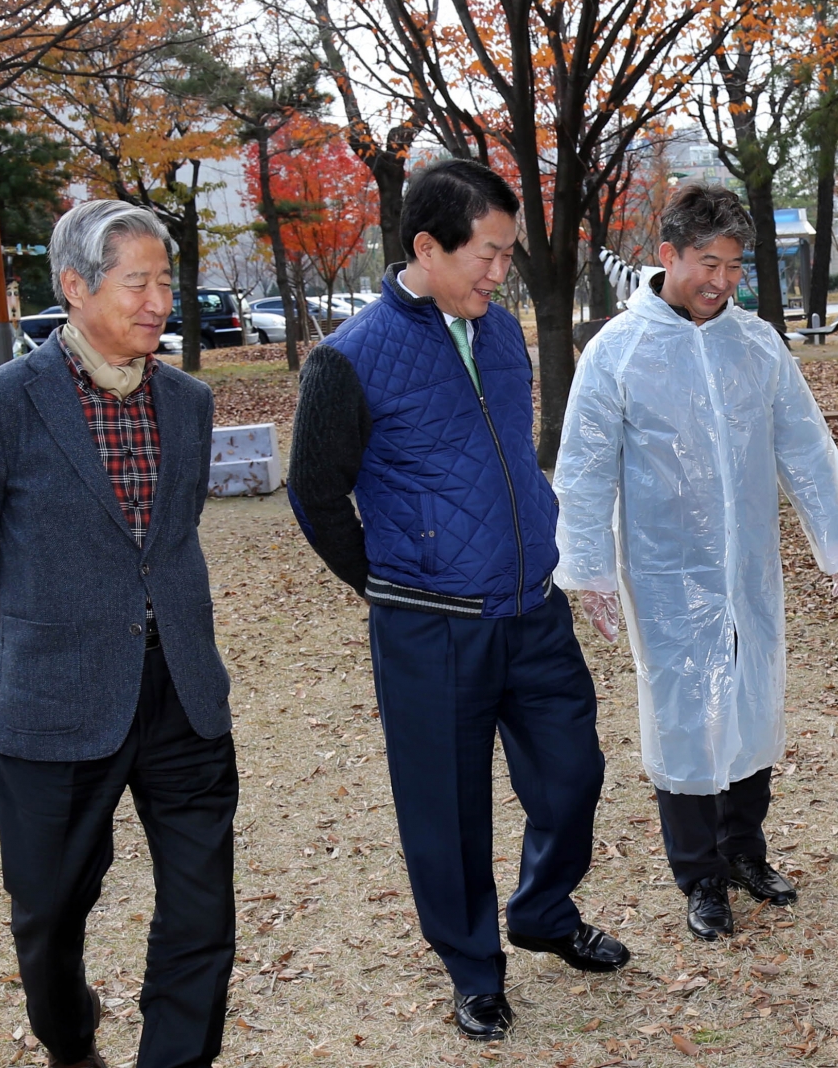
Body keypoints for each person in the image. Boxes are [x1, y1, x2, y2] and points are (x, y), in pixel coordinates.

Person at [287, 159, 625, 1042]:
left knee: (573, 776)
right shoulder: (347, 360)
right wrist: (391, 580)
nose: (498, 272)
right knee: (447, 814)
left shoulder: (503, 332)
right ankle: (474, 969)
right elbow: (315, 494)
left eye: (508, 255)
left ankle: (545, 911)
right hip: (429, 631)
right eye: (487, 253)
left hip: (532, 610)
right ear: (426, 246)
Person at [0, 200, 237, 1068]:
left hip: (183, 691)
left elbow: (170, 539)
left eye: (164, 282)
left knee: (202, 908)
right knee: (49, 913)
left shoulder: (189, 402)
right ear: (74, 286)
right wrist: (32, 644)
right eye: (136, 281)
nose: (157, 300)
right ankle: (72, 1044)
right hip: (52, 706)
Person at [552, 183, 838, 942]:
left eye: (734, 265)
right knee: (683, 714)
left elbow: (804, 445)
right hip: (665, 574)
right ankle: (698, 874)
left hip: (748, 569)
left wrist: (837, 543)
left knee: (754, 700)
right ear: (666, 256)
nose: (721, 282)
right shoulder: (618, 353)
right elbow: (586, 466)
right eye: (707, 263)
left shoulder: (756, 343)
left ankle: (744, 850)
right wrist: (591, 570)